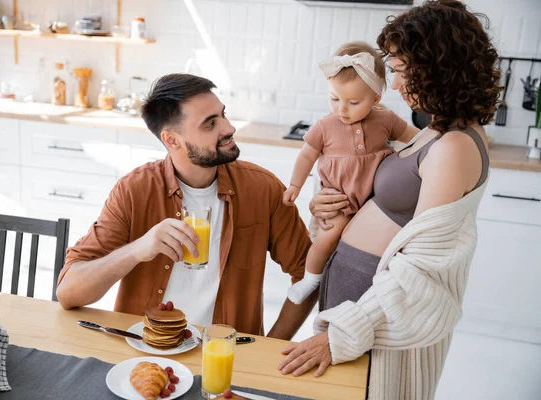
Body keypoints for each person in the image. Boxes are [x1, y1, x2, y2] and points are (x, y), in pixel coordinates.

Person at [277, 1, 501, 399]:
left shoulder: (454, 147)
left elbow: (423, 264)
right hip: (355, 297)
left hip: (372, 316)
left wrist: (342, 334)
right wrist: (322, 202)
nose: (394, 85)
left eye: (399, 71)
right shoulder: (438, 130)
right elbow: (374, 190)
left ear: (437, 67)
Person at [56, 73, 318, 339]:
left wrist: (271, 348)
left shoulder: (262, 189)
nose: (229, 128)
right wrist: (137, 250)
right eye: (210, 124)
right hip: (145, 352)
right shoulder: (134, 190)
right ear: (172, 140)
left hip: (226, 357)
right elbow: (68, 292)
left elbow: (310, 274)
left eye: (223, 115)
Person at [283, 41, 419, 305]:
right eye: (334, 99)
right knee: (328, 238)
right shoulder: (325, 126)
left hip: (373, 204)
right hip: (340, 202)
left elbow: (414, 138)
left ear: (375, 99)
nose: (341, 109)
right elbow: (306, 156)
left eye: (353, 102)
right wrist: (294, 186)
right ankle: (310, 279)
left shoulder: (385, 119)